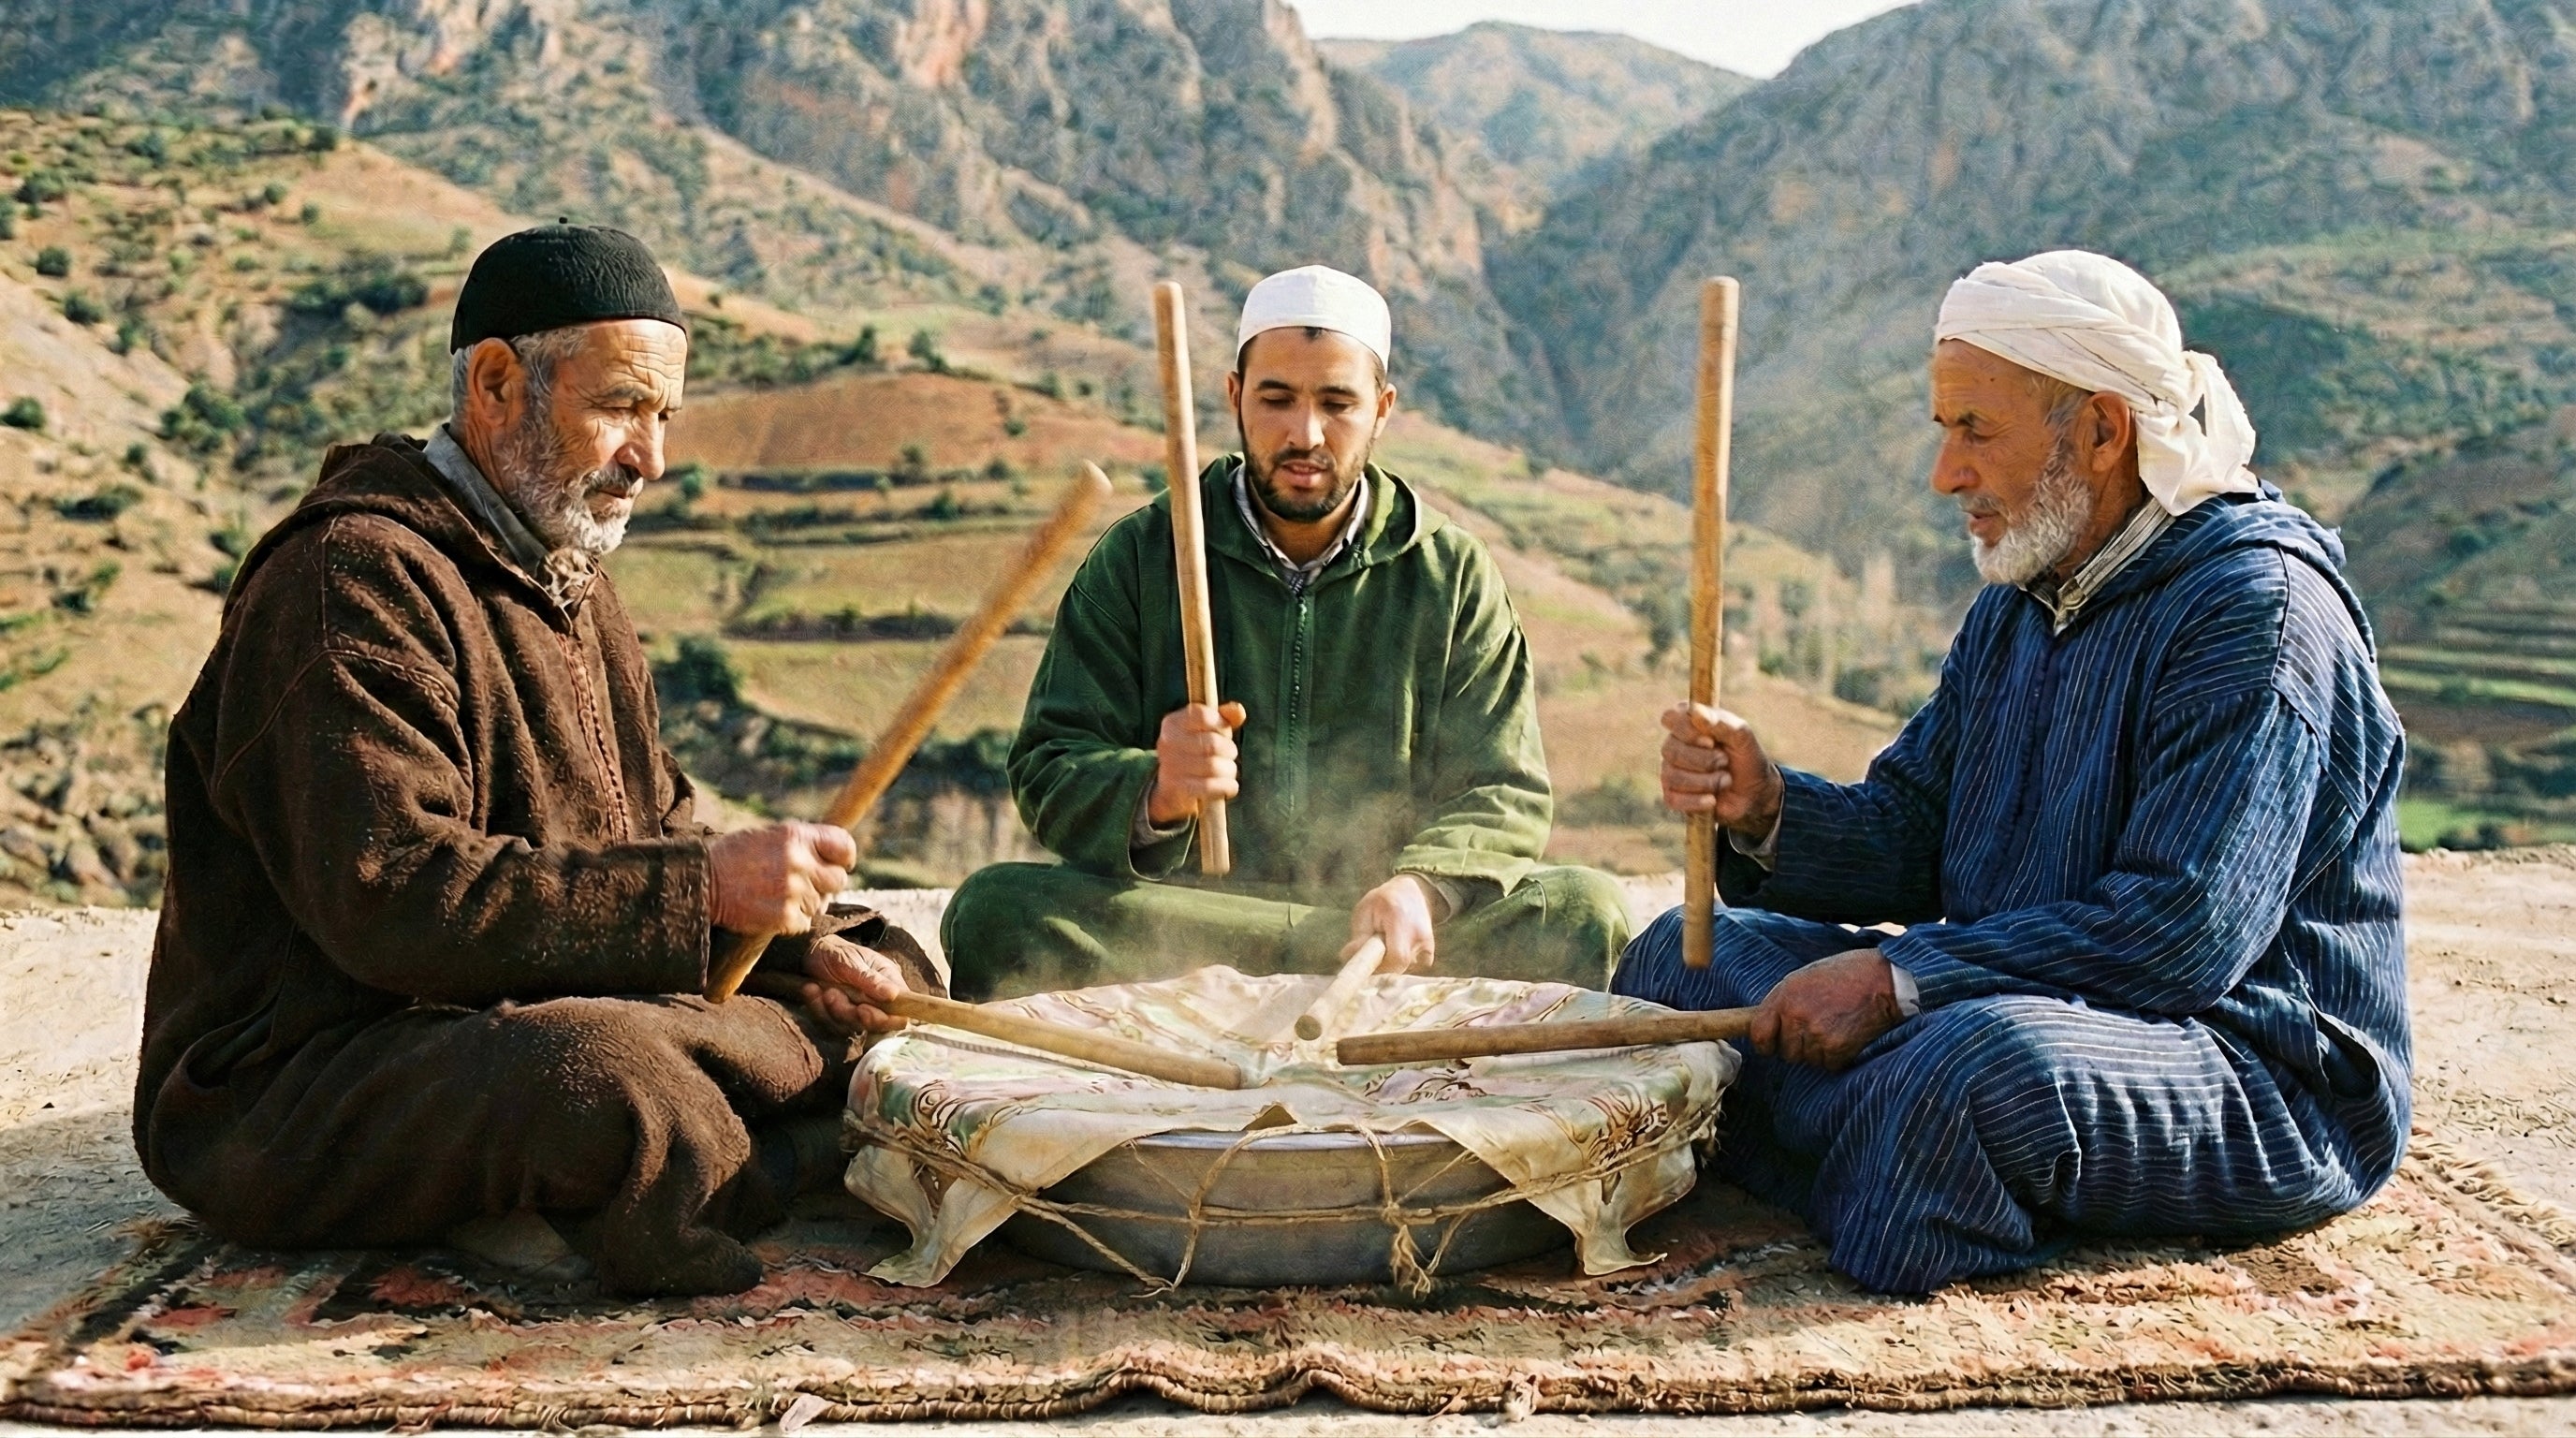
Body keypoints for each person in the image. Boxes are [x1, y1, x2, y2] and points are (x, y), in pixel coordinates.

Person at [135, 225, 922, 1298]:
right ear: (498, 384)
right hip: (311, 1076)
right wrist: (703, 895)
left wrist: (790, 942)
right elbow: (394, 900)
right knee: (609, 1081)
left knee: (885, 961)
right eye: (619, 409)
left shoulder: (566, 571)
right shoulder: (347, 580)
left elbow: (653, 825)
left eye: (663, 417)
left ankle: (671, 1164)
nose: (652, 459)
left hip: (517, 1000)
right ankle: (775, 1154)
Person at [1617, 250, 2410, 1293]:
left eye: (1974, 431)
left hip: (2245, 1067)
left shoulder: (2254, 616)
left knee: (1956, 1081)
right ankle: (1867, 1153)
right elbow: (1913, 830)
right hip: (2012, 998)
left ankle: (1850, 1149)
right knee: (1677, 962)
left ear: (2100, 429)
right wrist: (1765, 805)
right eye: (1944, 431)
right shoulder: (2021, 597)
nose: (1946, 473)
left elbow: (2178, 934)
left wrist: (1903, 983)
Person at [943, 266, 1631, 999]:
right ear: (1236, 396)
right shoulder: (1143, 556)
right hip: (1190, 925)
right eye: (1277, 400)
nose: (1305, 435)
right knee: (996, 911)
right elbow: (1050, 766)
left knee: (1585, 910)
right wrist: (1154, 789)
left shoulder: (1448, 572)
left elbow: (1503, 788)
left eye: (1338, 403)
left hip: (1380, 935)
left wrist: (1425, 887)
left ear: (1383, 409)